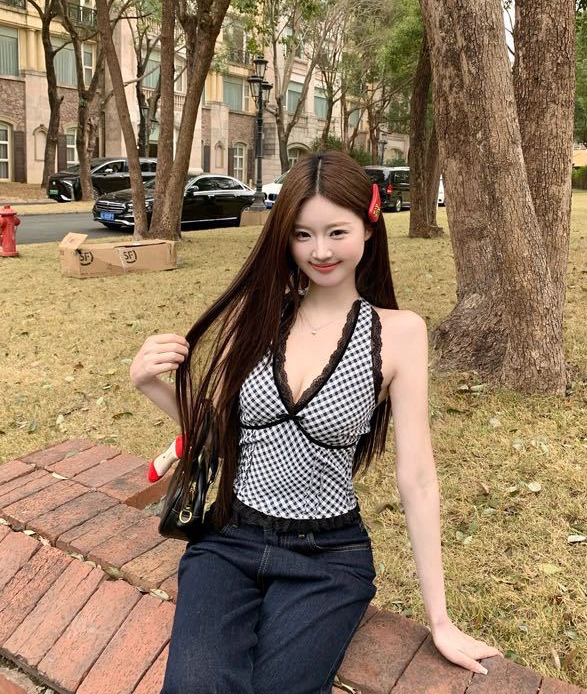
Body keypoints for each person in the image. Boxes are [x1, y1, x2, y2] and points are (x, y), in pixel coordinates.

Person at [129, 150, 503, 693]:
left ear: (369, 228)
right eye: (303, 235)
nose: (320, 251)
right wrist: (151, 385)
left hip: (326, 557)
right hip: (229, 540)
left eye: (336, 232)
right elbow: (223, 433)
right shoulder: (256, 315)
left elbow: (418, 479)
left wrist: (440, 621)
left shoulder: (399, 334)